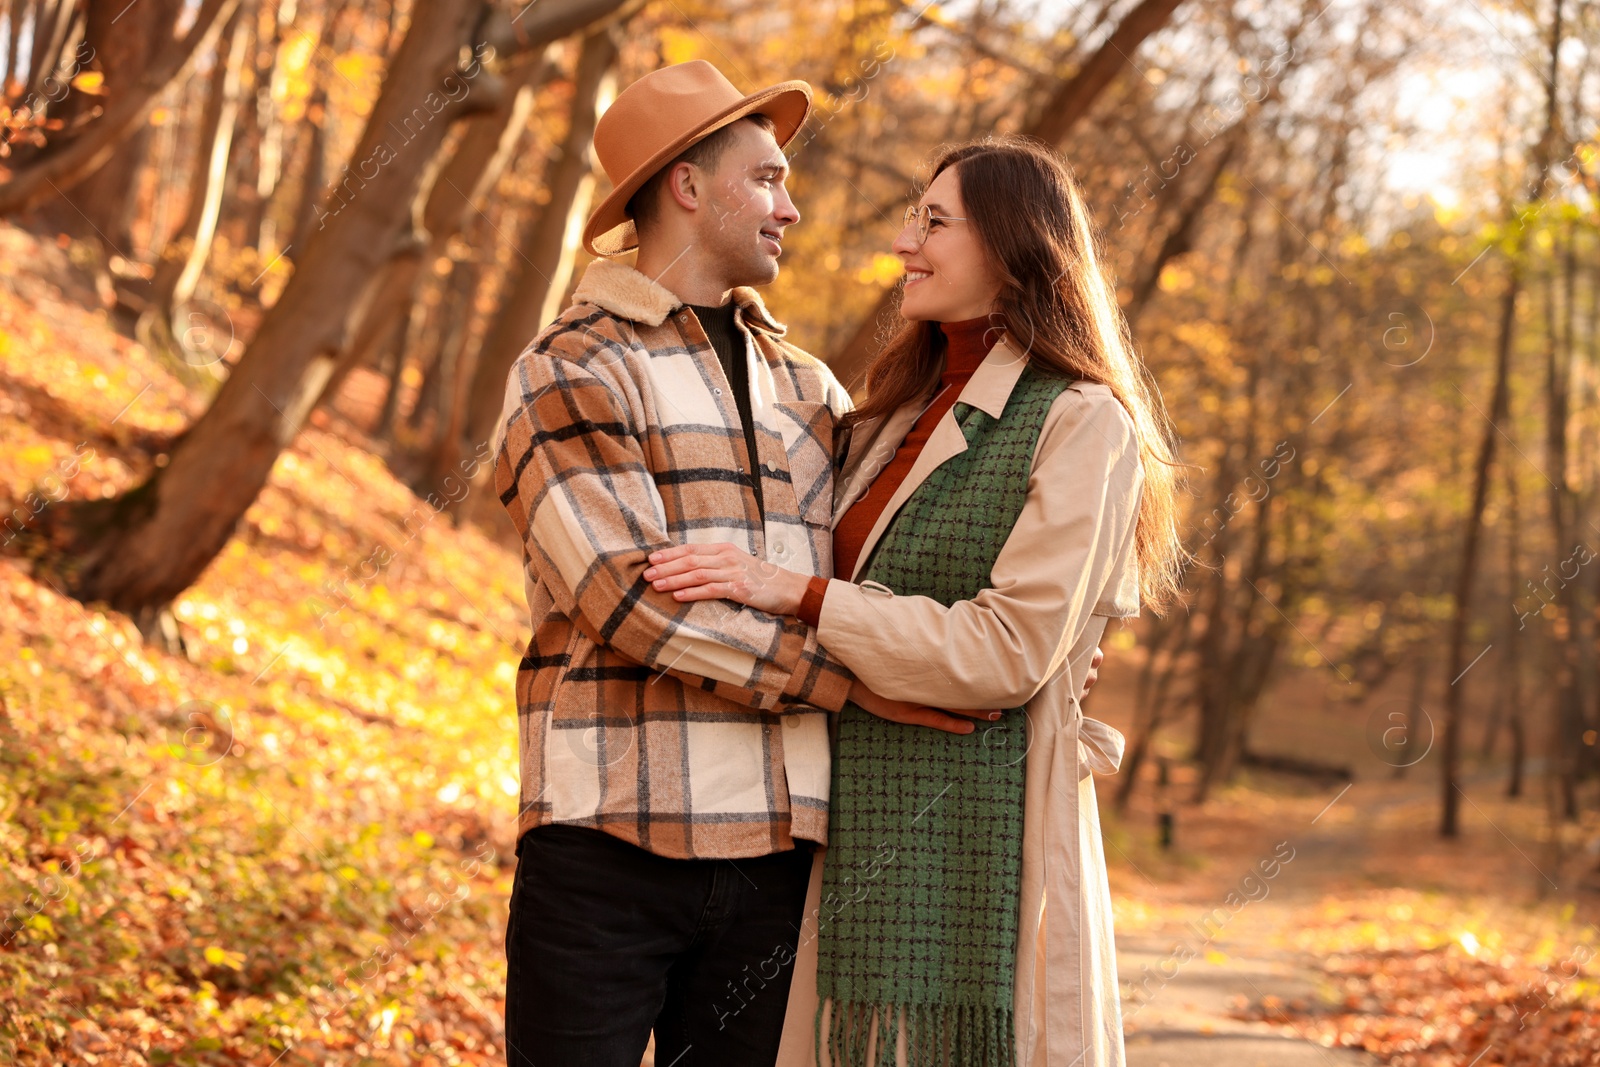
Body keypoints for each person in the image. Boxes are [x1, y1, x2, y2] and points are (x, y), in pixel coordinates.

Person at [641, 136, 1187, 1067]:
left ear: (1016, 245)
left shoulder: (1080, 418)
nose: (905, 242)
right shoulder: (888, 411)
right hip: (826, 824)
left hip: (979, 836)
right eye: (911, 217)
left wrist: (800, 594)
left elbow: (1008, 652)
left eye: (934, 221)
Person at [492, 62, 996, 1067]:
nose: (790, 206)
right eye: (765, 178)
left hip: (778, 863)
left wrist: (1040, 644)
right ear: (686, 184)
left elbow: (880, 569)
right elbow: (632, 602)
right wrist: (850, 683)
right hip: (607, 850)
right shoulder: (570, 366)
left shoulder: (807, 386)